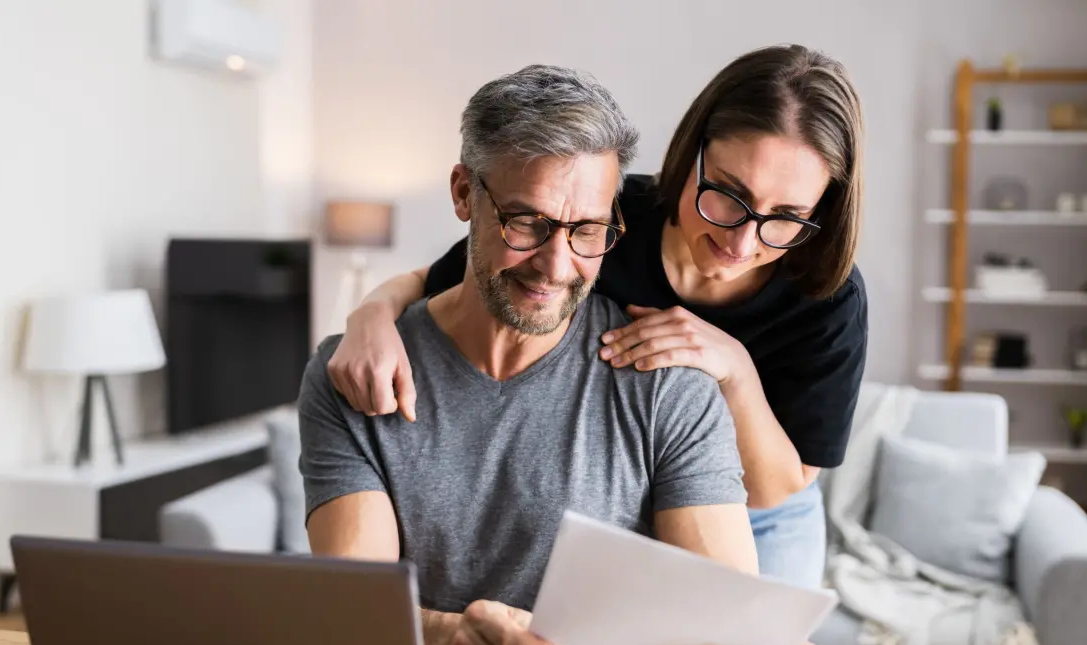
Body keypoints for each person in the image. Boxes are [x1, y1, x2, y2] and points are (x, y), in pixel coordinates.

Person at [301, 64, 825, 645]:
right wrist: (446, 644)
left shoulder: (670, 383)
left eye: (587, 231)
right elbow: (350, 614)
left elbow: (730, 630)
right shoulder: (359, 374)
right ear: (464, 194)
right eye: (527, 222)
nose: (555, 266)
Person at [327, 44, 868, 591]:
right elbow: (439, 280)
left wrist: (734, 368)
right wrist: (370, 316)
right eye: (728, 195)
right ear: (691, 154)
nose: (742, 240)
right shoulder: (597, 216)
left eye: (787, 217)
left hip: (765, 514)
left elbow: (777, 487)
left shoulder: (827, 294)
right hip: (649, 488)